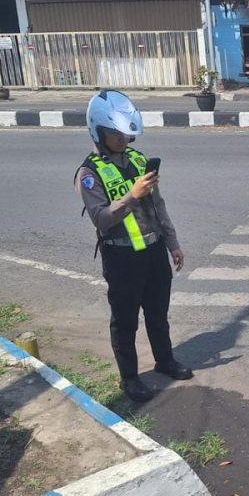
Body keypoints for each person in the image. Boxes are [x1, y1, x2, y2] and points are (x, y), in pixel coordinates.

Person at [75, 89, 193, 403]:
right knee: (125, 321)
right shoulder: (89, 174)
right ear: (98, 132)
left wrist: (173, 244)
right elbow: (101, 218)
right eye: (115, 134)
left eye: (126, 135)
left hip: (154, 253)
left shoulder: (139, 160)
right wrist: (133, 195)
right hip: (121, 257)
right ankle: (130, 378)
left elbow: (158, 206)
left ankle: (165, 360)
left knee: (158, 314)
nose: (123, 140)